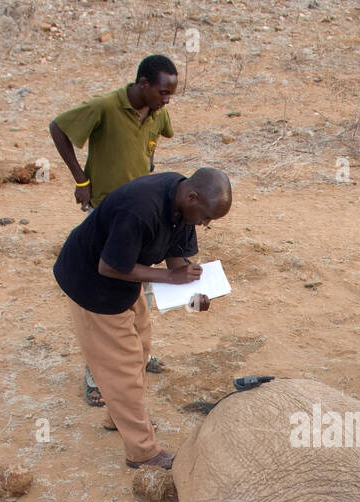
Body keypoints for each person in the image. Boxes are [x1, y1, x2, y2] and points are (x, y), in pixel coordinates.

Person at [53, 168, 232, 470]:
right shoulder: (139, 209)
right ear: (192, 196)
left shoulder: (182, 203)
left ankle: (119, 418)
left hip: (126, 282)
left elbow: (176, 258)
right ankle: (143, 452)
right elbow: (108, 267)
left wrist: (194, 290)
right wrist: (167, 276)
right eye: (205, 217)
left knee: (140, 348)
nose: (205, 224)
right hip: (92, 286)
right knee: (121, 367)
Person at [50, 54, 179, 406]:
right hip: (107, 212)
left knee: (140, 293)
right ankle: (97, 378)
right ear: (143, 85)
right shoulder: (105, 107)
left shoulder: (157, 114)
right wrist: (82, 179)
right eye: (163, 92)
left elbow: (153, 142)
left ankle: (139, 354)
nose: (167, 100)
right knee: (105, 296)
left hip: (143, 216)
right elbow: (58, 128)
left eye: (171, 94)